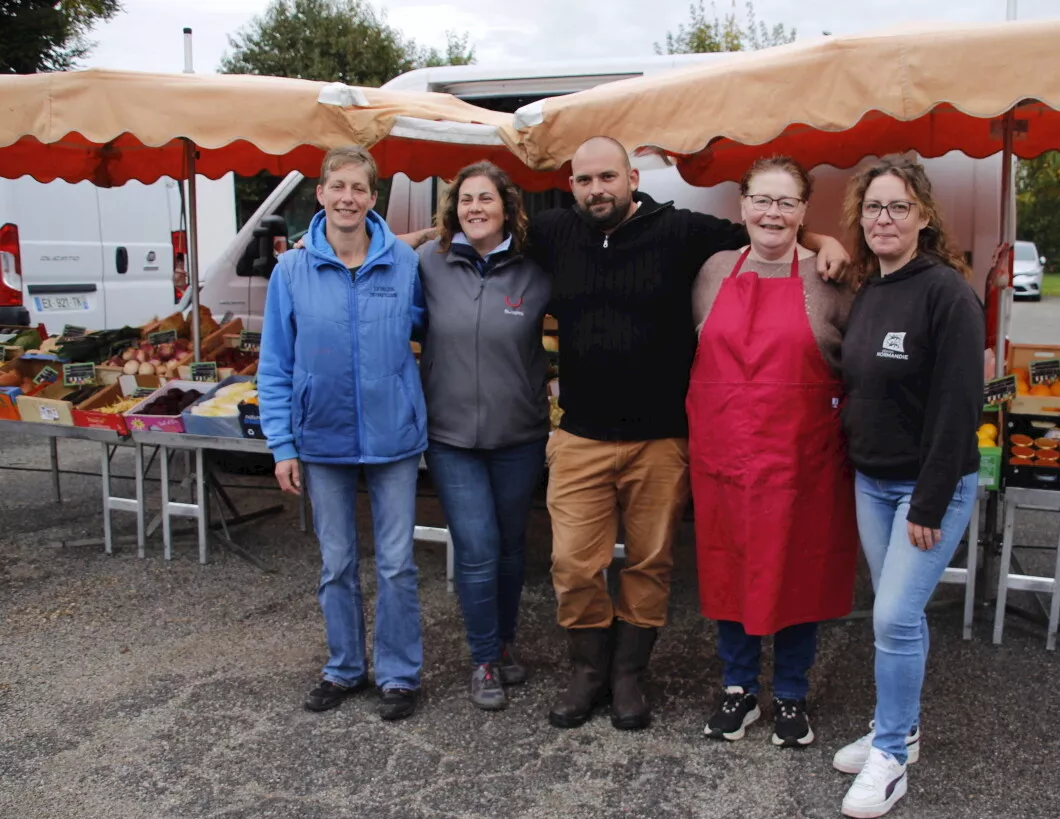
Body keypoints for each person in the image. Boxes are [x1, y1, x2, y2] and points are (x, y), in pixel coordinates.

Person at [531, 136, 851, 731]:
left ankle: (637, 678)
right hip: (603, 436)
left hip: (684, 441)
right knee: (577, 564)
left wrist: (826, 240)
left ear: (631, 176)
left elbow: (774, 242)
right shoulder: (555, 232)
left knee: (662, 564)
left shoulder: (686, 235)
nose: (597, 189)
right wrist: (399, 242)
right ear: (570, 185)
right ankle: (592, 672)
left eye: (608, 176)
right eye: (584, 180)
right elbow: (479, 232)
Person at [687, 156, 859, 748]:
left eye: (787, 203)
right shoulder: (711, 272)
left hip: (801, 462)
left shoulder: (830, 279)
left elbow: (856, 367)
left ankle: (789, 693)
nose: (773, 213)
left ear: (804, 212)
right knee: (729, 563)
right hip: (726, 459)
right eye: (763, 200)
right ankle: (737, 688)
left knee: (798, 571)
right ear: (742, 206)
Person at [831, 156, 983, 818]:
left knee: (892, 616)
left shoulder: (947, 293)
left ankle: (890, 755)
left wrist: (929, 498)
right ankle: (904, 727)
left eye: (896, 207)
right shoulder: (870, 288)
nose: (882, 219)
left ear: (924, 215)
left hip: (929, 488)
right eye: (872, 208)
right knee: (899, 616)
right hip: (872, 481)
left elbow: (959, 406)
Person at [258, 145, 428, 722]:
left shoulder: (403, 265)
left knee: (398, 562)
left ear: (372, 197)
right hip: (322, 436)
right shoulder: (292, 270)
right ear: (322, 194)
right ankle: (344, 668)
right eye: (338, 187)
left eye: (359, 188)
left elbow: (434, 330)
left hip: (393, 436)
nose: (348, 198)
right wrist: (282, 444)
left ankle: (400, 676)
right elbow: (275, 363)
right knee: (336, 562)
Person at [416, 161, 550, 711]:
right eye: (465, 199)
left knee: (512, 548)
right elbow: (361, 243)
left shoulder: (537, 268)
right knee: (475, 547)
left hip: (518, 433)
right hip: (450, 437)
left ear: (507, 207)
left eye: (485, 199)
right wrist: (419, 234)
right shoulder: (429, 261)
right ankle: (484, 659)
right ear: (454, 210)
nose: (475, 208)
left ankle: (507, 640)